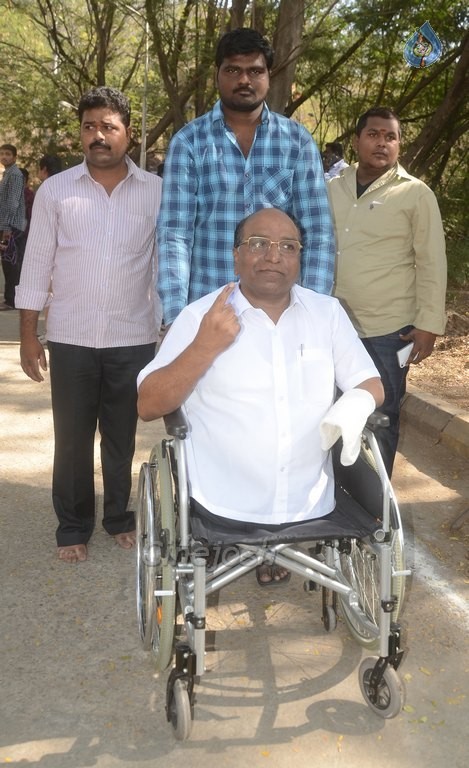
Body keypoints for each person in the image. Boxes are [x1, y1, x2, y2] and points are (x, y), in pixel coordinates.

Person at [137, 208, 383, 585]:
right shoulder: (200, 316)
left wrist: (354, 404)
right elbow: (149, 405)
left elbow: (371, 383)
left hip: (311, 500)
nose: (273, 256)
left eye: (288, 246)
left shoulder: (326, 313)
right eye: (258, 244)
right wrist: (205, 346)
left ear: (300, 257)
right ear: (236, 254)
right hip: (221, 499)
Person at [16, 86, 163, 564]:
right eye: (89, 126)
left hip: (133, 337)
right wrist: (27, 337)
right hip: (72, 338)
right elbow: (36, 265)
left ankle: (118, 516)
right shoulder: (57, 191)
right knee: (72, 439)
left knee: (120, 439)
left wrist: (168, 335)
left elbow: (164, 266)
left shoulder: (156, 192)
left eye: (109, 126)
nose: (98, 135)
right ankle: (73, 524)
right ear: (80, 132)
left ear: (127, 133)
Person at [157, 27, 335, 325]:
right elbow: (175, 234)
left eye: (254, 71)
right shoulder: (189, 143)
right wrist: (178, 319)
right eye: (233, 70)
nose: (243, 80)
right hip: (209, 311)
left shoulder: (296, 142)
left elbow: (317, 233)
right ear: (218, 74)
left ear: (268, 75)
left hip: (281, 314)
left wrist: (312, 314)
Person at [328, 106, 447, 477]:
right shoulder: (333, 187)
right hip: (332, 327)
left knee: (380, 417)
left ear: (399, 145)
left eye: (390, 137)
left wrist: (428, 324)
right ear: (357, 140)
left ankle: (375, 514)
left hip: (388, 330)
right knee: (330, 413)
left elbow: (431, 261)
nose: (382, 143)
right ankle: (334, 503)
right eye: (374, 134)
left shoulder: (415, 194)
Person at [0, 143, 26, 310]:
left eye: (8, 154)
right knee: (7, 262)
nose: (4, 157)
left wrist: (7, 228)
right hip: (6, 224)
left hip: (12, 225)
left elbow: (13, 202)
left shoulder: (15, 174)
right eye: (2, 154)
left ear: (15, 157)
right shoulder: (7, 174)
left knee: (11, 263)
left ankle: (12, 300)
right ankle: (10, 299)